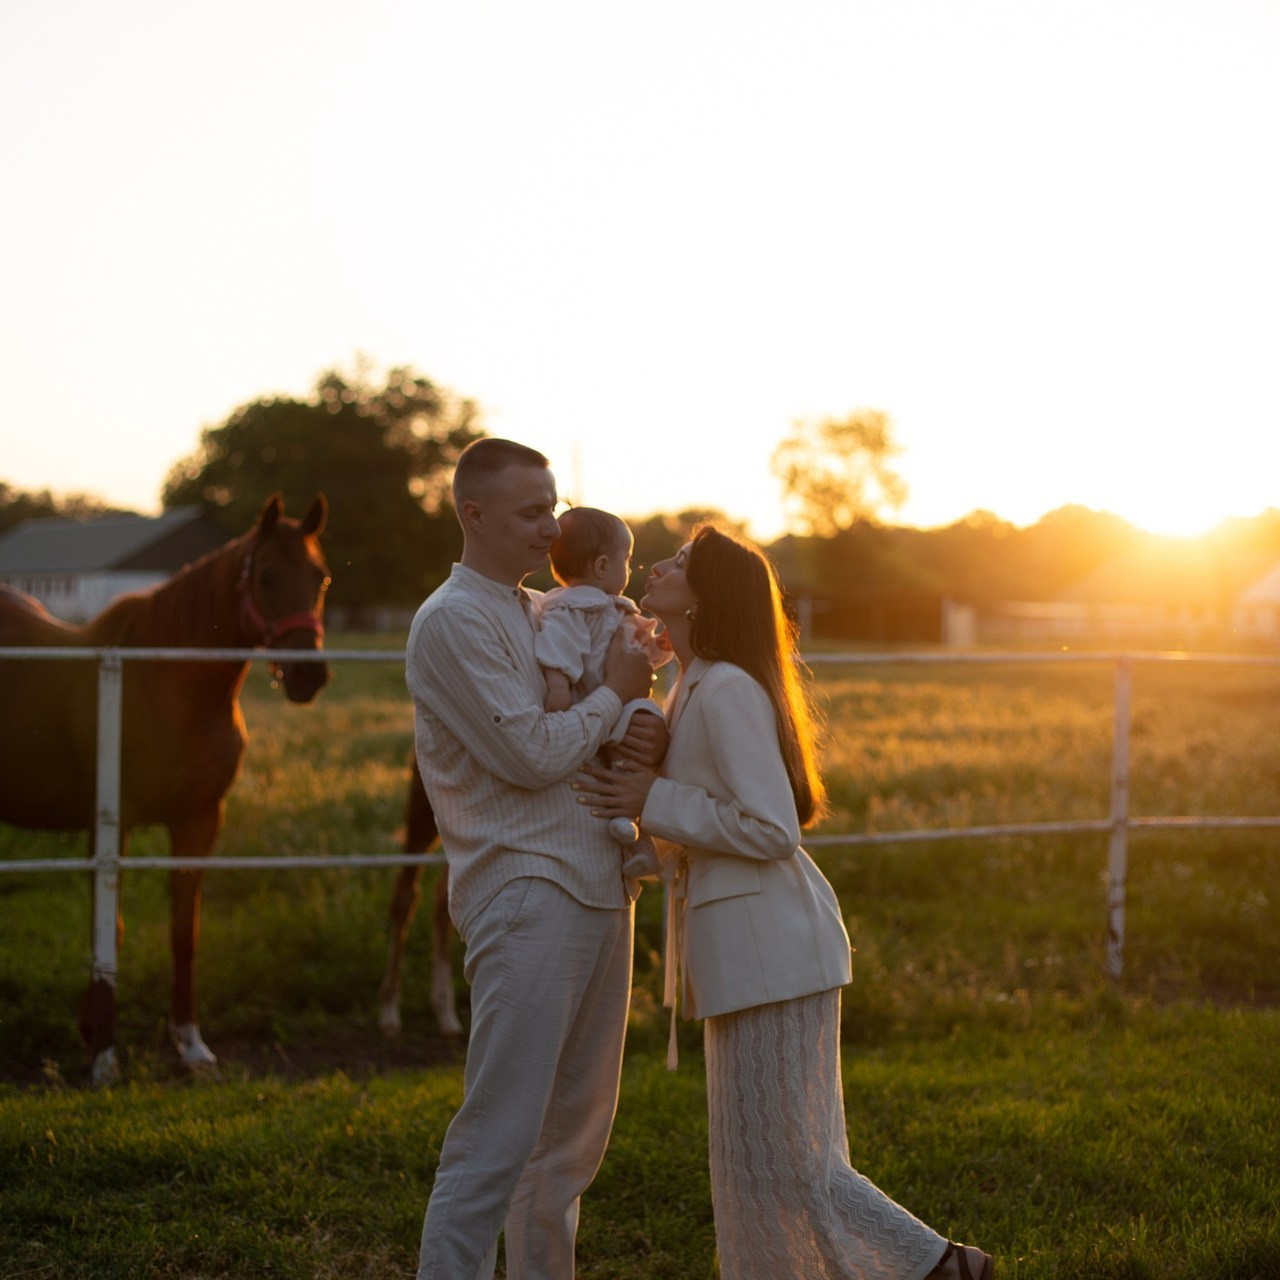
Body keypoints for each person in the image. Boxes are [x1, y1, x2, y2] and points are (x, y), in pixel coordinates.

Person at [573, 525, 995, 1280]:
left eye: (679, 563)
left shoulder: (729, 688)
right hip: (741, 953)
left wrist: (651, 799)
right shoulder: (694, 683)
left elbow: (768, 828)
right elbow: (709, 814)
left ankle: (940, 1267)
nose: (660, 564)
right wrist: (642, 846)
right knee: (751, 1167)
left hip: (775, 948)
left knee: (793, 1164)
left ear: (704, 598)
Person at [405, 437, 664, 1280]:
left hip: (597, 885)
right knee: (498, 1142)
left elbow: (584, 740)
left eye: (553, 508)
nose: (551, 529)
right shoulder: (452, 620)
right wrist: (617, 694)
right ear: (471, 515)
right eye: (529, 513)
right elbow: (529, 756)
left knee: (566, 1151)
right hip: (525, 891)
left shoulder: (539, 610)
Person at [535, 505, 672, 872]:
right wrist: (558, 684)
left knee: (645, 724)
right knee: (619, 768)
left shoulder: (619, 611)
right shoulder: (570, 609)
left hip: (623, 703)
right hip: (591, 701)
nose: (630, 570)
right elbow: (557, 647)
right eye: (626, 561)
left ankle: (638, 837)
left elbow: (637, 658)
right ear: (600, 567)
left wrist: (659, 649)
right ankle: (630, 831)